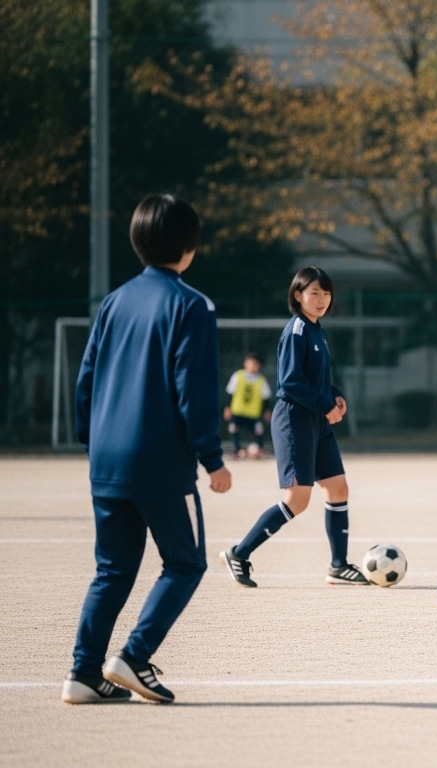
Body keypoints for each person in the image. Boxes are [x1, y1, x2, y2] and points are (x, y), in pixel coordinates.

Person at [64, 194, 231, 705]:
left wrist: (92, 441)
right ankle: (134, 657)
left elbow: (86, 379)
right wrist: (212, 458)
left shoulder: (114, 302)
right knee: (186, 562)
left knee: (112, 570)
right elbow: (194, 389)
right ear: (189, 245)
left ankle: (83, 673)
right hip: (159, 462)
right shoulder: (192, 304)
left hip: (106, 460)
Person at [219, 267, 368, 587]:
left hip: (316, 421)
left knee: (338, 488)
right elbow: (290, 382)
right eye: (314, 293)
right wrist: (325, 404)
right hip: (294, 421)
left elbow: (315, 378)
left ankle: (338, 565)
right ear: (297, 295)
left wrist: (334, 394)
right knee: (297, 499)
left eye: (326, 294)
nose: (322, 299)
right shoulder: (297, 330)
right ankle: (238, 553)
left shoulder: (317, 330)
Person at [225, 353, 271, 459]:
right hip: (238, 412)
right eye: (250, 363)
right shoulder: (238, 376)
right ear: (245, 364)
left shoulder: (261, 380)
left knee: (259, 430)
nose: (252, 366)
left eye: (255, 364)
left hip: (253, 414)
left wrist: (267, 411)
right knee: (233, 428)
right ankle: (236, 449)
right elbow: (230, 393)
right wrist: (228, 407)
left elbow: (266, 397)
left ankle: (260, 449)